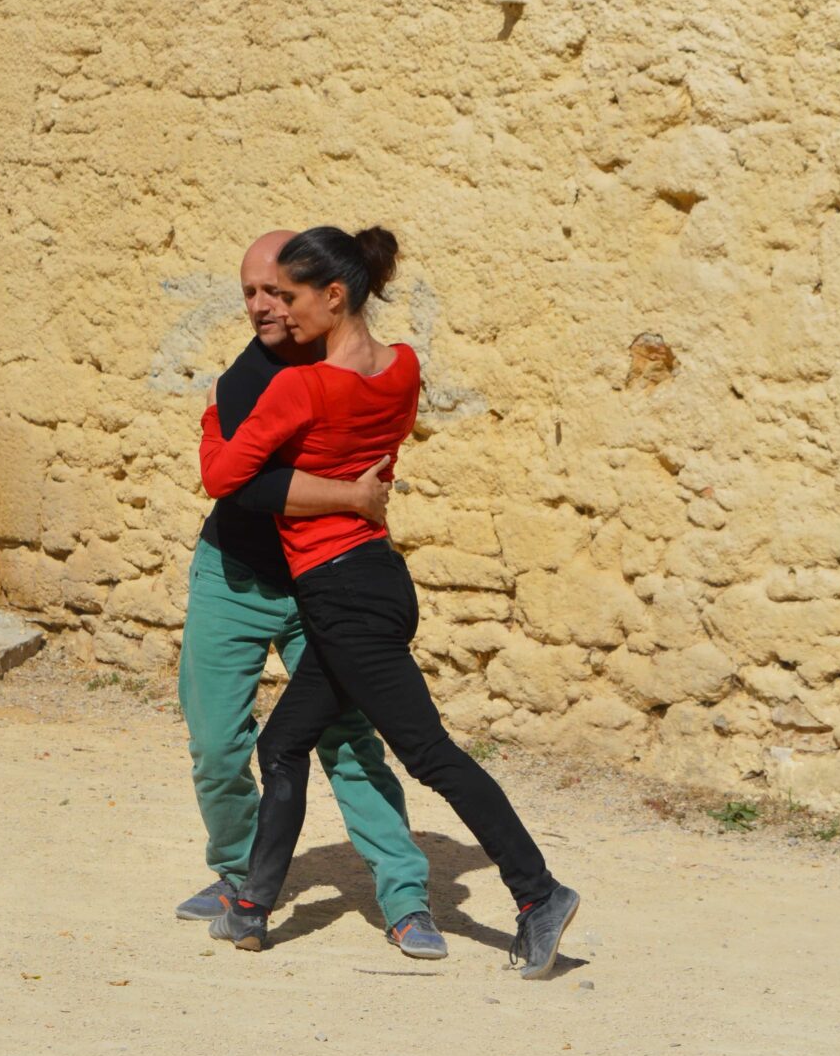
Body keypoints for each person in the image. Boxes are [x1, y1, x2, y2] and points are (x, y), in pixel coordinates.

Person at [196, 224, 580, 980]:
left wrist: (215, 413)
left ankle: (538, 893)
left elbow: (222, 476)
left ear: (335, 296)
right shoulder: (403, 367)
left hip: (342, 594)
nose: (280, 311)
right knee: (282, 744)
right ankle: (251, 908)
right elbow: (371, 444)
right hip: (375, 577)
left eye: (291, 296)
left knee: (429, 753)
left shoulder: (301, 387)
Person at [175, 230, 447, 960]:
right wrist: (350, 496)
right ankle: (238, 875)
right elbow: (244, 486)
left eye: (276, 292)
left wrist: (357, 495)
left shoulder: (353, 365)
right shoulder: (247, 379)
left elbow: (377, 454)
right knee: (216, 744)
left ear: (316, 293)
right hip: (232, 575)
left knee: (350, 743)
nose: (264, 308)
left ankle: (405, 897)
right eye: (250, 294)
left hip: (320, 585)